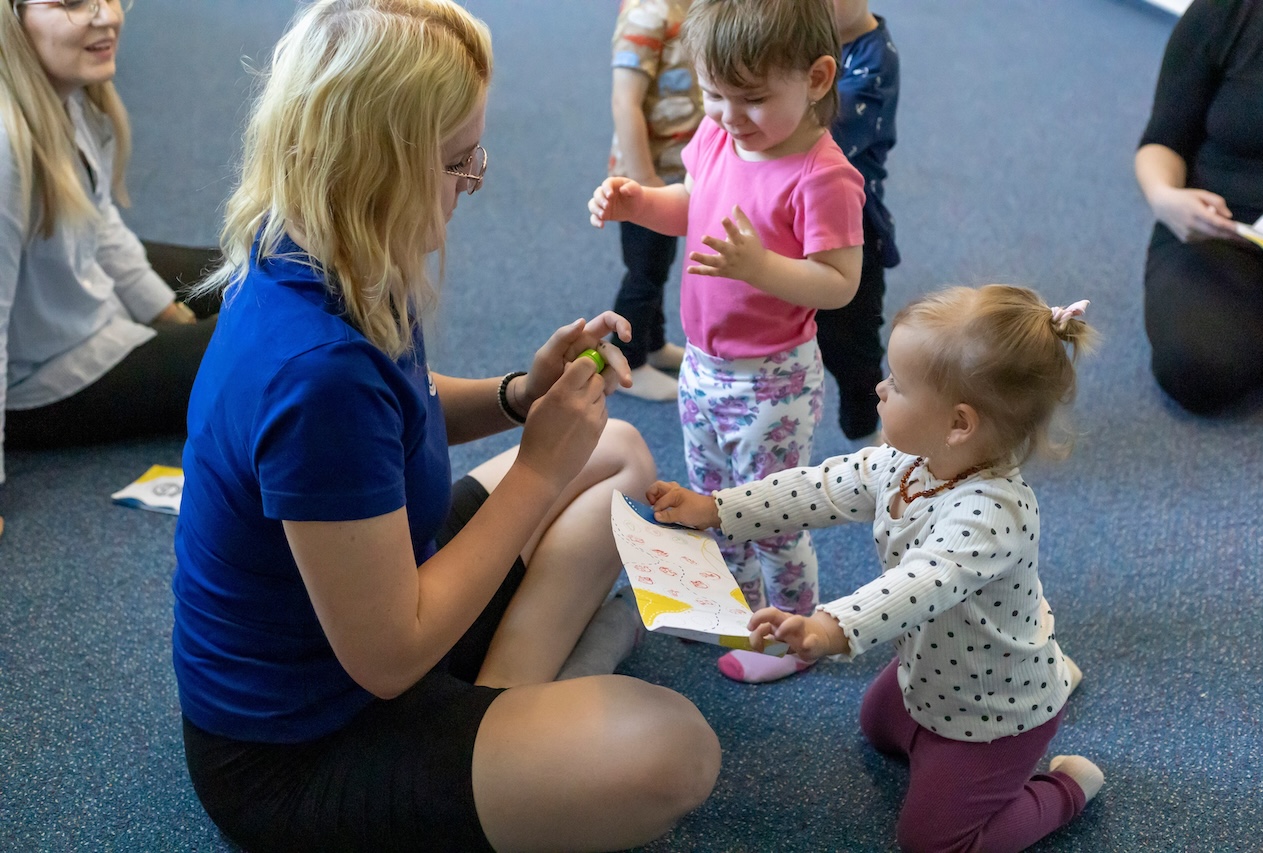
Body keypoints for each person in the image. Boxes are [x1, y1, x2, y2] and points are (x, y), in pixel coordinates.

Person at [170, 2, 720, 851]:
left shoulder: (324, 246)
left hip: (390, 592)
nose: (473, 181)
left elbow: (404, 397)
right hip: (302, 749)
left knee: (616, 453)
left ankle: (497, 704)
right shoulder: (316, 372)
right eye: (458, 162)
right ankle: (503, 727)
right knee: (675, 753)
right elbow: (389, 659)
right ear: (374, 164)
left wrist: (515, 395)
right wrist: (535, 468)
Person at [648, 284, 1105, 852]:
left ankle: (1063, 787)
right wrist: (717, 509)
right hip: (933, 665)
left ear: (959, 423)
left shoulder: (991, 514)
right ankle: (1051, 665)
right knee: (878, 726)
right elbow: (818, 488)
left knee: (931, 844)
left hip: (994, 708)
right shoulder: (912, 461)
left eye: (898, 384)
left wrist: (829, 626)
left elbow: (918, 584)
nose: (879, 389)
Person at [589, 0, 866, 683]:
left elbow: (840, 282)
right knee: (713, 501)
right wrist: (639, 203)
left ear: (818, 78)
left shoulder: (822, 176)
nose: (728, 113)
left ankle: (792, 633)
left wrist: (761, 268)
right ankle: (734, 608)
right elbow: (694, 200)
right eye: (714, 94)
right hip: (706, 366)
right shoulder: (718, 137)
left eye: (751, 98)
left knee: (771, 517)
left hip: (773, 379)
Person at [0, 0, 218, 536]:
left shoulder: (68, 93)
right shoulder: (6, 144)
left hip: (78, 298)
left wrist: (165, 312)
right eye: (73, 3)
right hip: (46, 375)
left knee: (245, 273)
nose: (108, 16)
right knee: (261, 341)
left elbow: (99, 224)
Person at [1134, 0, 1263, 414]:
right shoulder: (1224, 12)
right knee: (1198, 366)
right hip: (1212, 233)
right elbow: (1161, 141)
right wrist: (1166, 199)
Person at [604, 0, 702, 402]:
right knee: (643, 275)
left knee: (660, 267)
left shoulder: (689, 9)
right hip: (645, 180)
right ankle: (628, 360)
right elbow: (624, 102)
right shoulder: (647, 14)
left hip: (677, 175)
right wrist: (646, 184)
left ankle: (654, 343)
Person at [815, 0, 900, 442]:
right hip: (802, 215)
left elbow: (823, 124)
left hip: (854, 222)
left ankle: (866, 429)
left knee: (852, 342)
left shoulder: (875, 58)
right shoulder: (809, 31)